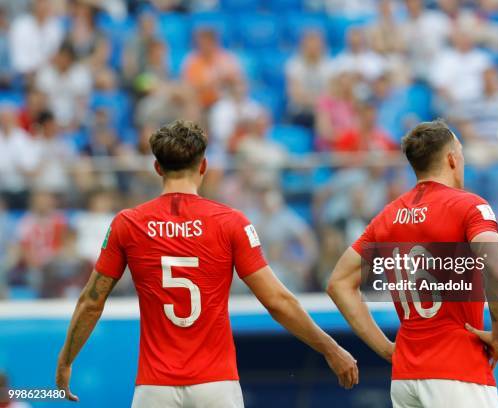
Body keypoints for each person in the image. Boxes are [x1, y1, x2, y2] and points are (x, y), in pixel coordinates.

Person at [55, 120, 357, 407]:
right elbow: (277, 301)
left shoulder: (128, 223)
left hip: (155, 387)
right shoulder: (231, 222)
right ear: (203, 166)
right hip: (216, 385)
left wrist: (66, 361)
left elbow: (91, 302)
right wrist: (331, 348)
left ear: (158, 167)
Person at [327, 120, 498, 407]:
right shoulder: (469, 206)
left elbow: (339, 283)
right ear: (452, 159)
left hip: (405, 377)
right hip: (457, 370)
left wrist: (388, 349)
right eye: (461, 152)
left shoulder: (388, 216)